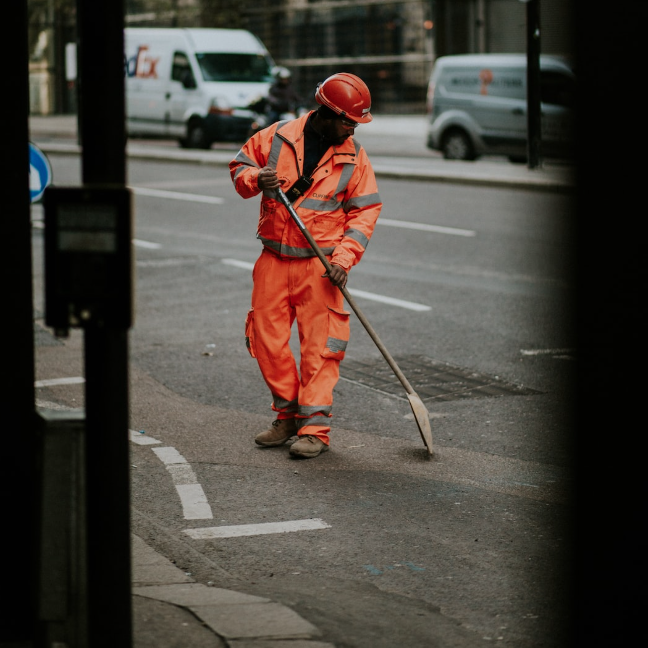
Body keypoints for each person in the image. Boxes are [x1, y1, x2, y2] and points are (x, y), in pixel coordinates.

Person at [229, 73, 382, 459]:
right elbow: (239, 167)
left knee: (320, 350)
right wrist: (254, 178)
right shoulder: (277, 137)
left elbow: (364, 213)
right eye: (348, 121)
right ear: (327, 113)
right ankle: (288, 415)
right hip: (273, 260)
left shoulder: (354, 156)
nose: (352, 129)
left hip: (320, 266)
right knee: (267, 342)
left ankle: (314, 429)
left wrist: (344, 260)